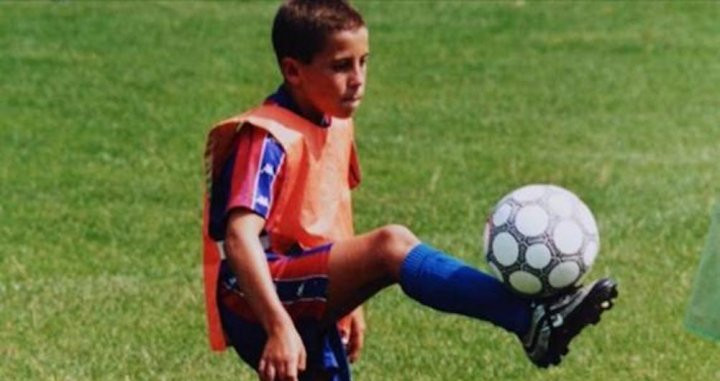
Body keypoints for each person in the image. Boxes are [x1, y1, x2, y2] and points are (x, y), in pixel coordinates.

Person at [201, 1, 618, 380]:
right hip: (256, 298)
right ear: (293, 70)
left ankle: (534, 321)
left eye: (364, 62)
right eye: (341, 66)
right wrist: (277, 324)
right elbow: (239, 238)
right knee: (391, 245)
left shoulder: (335, 122)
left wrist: (350, 298)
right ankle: (530, 319)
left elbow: (332, 212)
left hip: (299, 283)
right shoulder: (266, 138)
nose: (358, 80)